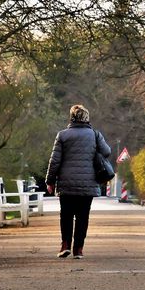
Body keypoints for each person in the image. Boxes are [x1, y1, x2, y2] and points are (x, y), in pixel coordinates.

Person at [46, 104, 110, 259]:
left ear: (72, 117)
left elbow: (55, 161)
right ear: (86, 118)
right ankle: (78, 249)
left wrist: (50, 180)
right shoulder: (95, 135)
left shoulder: (62, 135)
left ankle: (65, 245)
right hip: (88, 182)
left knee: (66, 215)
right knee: (83, 217)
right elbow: (107, 151)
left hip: (66, 183)